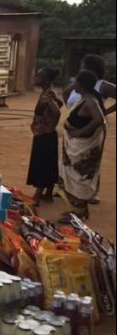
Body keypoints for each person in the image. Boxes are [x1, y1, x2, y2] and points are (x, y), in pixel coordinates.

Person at [64, 54, 115, 205]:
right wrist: (73, 110)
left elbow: (98, 118)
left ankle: (88, 192)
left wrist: (106, 111)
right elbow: (66, 93)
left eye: (83, 66)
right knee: (71, 161)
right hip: (75, 129)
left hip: (90, 131)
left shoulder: (102, 86)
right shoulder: (81, 83)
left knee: (88, 162)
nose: (80, 68)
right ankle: (71, 189)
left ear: (91, 69)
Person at [58, 70, 107, 222]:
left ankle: (77, 214)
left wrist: (79, 132)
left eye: (76, 82)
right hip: (76, 147)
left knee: (79, 179)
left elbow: (98, 119)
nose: (74, 84)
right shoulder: (85, 98)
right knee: (75, 178)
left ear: (82, 84)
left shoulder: (90, 100)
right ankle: (78, 211)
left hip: (81, 149)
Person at [27, 68, 63, 206]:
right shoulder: (49, 91)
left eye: (39, 77)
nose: (36, 78)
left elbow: (57, 112)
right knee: (48, 163)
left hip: (44, 134)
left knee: (41, 164)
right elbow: (60, 103)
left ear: (46, 80)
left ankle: (37, 195)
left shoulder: (47, 94)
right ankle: (48, 193)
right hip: (45, 133)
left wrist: (50, 127)